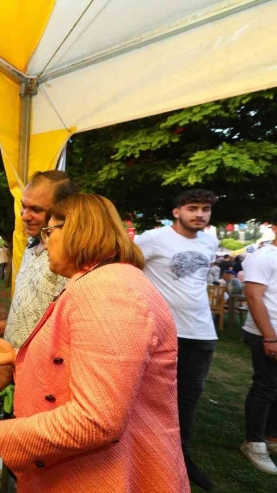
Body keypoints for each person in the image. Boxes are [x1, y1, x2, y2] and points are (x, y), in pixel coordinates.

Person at [0, 194, 188, 492]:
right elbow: (75, 361)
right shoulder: (102, 281)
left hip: (107, 476)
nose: (45, 243)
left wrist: (1, 436)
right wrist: (18, 356)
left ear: (77, 230)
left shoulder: (108, 290)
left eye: (49, 231)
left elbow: (96, 419)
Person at [135, 189, 219, 490]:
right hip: (161, 331)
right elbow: (128, 268)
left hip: (201, 332)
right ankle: (142, 454)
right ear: (177, 212)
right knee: (149, 394)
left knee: (188, 398)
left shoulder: (211, 241)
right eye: (192, 208)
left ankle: (180, 457)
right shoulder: (152, 239)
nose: (199, 214)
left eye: (205, 209)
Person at [0, 170, 79, 396]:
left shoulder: (69, 260)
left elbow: (63, 336)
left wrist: (14, 360)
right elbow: (40, 310)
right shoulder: (34, 246)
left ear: (63, 211)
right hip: (17, 374)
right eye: (24, 206)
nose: (24, 215)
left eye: (36, 209)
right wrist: (7, 327)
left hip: (43, 385)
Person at [241, 221, 277, 474]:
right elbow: (254, 297)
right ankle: (254, 442)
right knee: (265, 387)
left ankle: (272, 437)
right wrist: (270, 337)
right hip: (267, 332)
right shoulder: (263, 257)